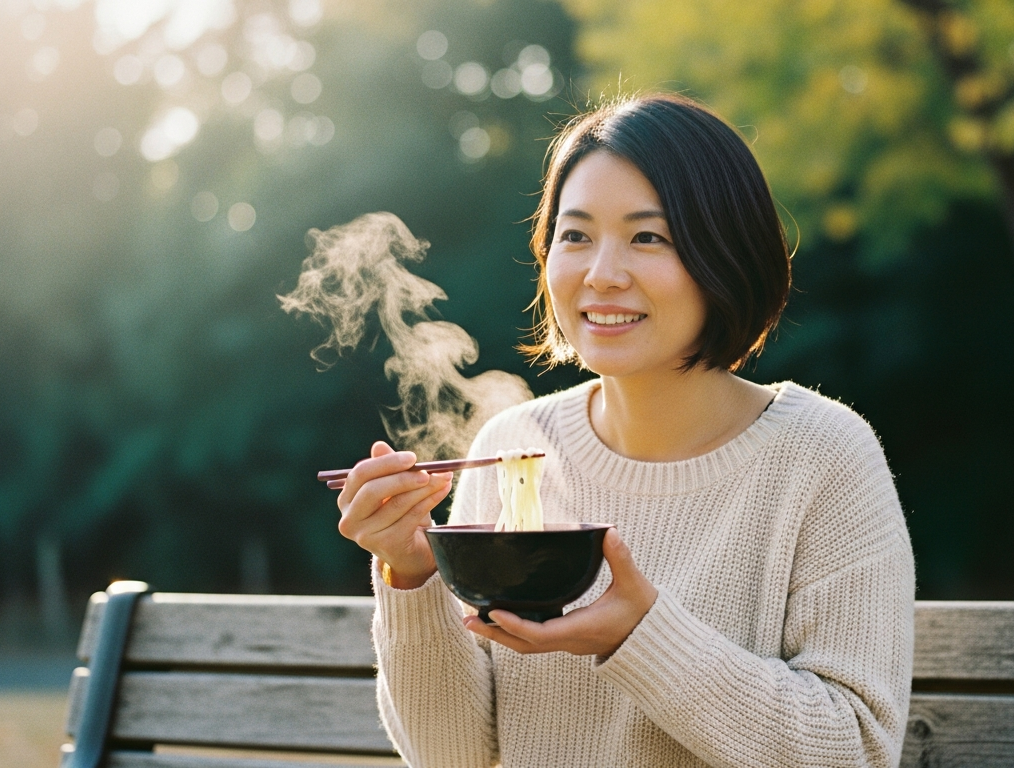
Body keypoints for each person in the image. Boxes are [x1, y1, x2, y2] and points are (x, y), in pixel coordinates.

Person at [336, 94, 914, 767]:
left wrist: (639, 635)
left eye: (649, 237)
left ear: (726, 256)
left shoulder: (822, 456)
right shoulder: (512, 445)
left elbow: (857, 751)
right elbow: (454, 757)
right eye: (575, 235)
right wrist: (410, 576)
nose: (601, 275)